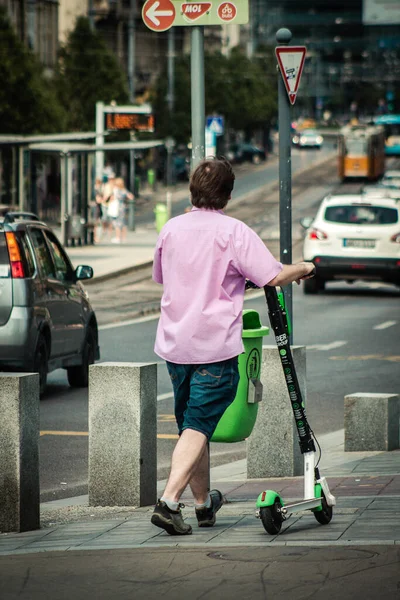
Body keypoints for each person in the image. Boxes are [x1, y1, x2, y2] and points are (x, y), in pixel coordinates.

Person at [151, 157, 315, 536]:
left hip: (175, 346)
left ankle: (203, 505)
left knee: (194, 426)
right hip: (213, 348)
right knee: (197, 426)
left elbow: (161, 276)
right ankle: (169, 501)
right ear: (227, 194)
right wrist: (305, 267)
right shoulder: (233, 232)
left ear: (194, 189)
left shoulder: (171, 230)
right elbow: (272, 275)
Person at [112, 177, 134, 243]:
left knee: (117, 223)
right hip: (123, 207)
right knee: (123, 223)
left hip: (117, 207)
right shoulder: (124, 190)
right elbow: (131, 196)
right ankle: (124, 237)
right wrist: (125, 200)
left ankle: (117, 237)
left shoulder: (116, 190)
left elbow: (112, 198)